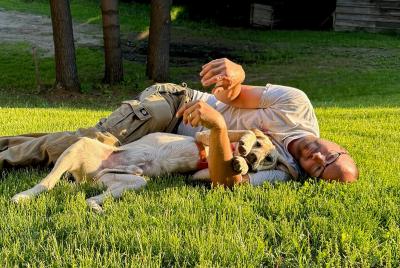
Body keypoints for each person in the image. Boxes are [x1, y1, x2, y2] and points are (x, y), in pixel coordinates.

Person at [0, 58, 358, 187]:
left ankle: (8, 145)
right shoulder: (298, 105)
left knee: (79, 141)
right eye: (331, 155)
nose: (317, 157)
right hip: (175, 105)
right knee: (96, 143)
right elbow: (234, 94)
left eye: (319, 169)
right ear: (338, 146)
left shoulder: (283, 170)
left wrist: (218, 128)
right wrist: (235, 75)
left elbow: (225, 180)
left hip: (171, 142)